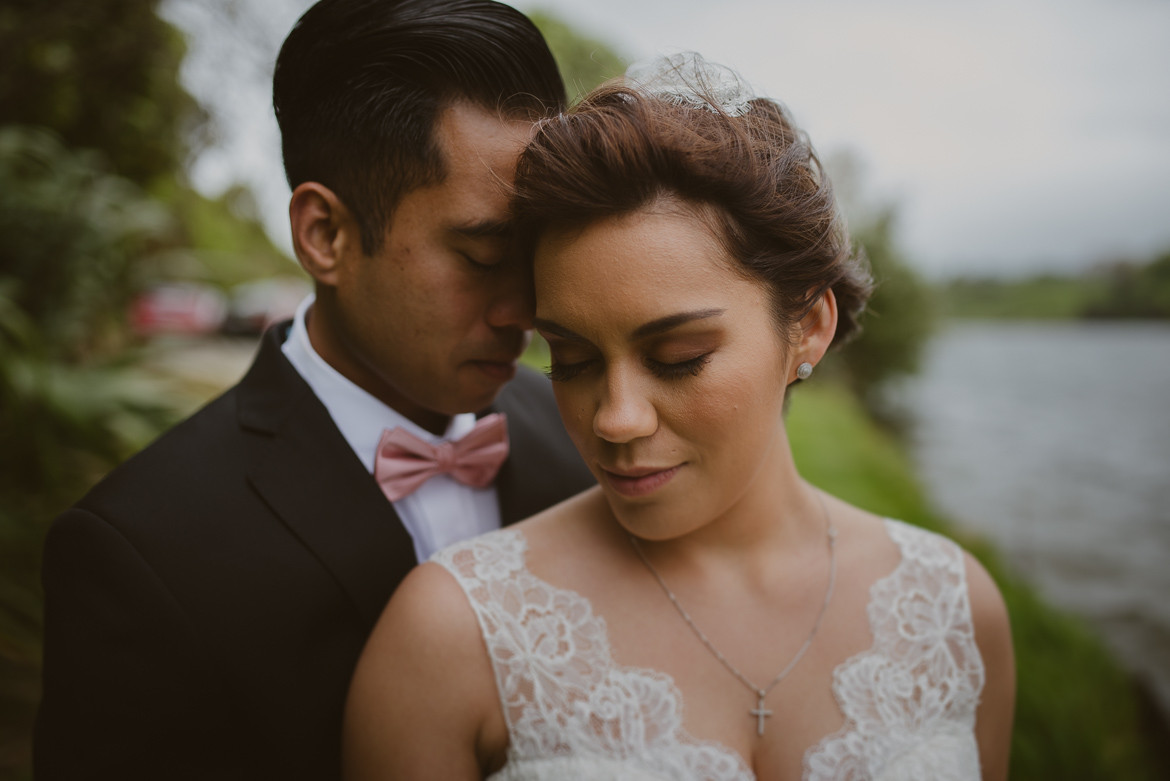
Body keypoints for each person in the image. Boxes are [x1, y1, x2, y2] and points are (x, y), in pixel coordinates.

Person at [344, 55, 1016, 780]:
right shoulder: (452, 633)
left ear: (809, 329)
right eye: (571, 359)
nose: (617, 419)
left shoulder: (953, 609)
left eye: (678, 356)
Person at [33, 1, 593, 777]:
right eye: (484, 254)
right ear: (324, 234)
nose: (526, 308)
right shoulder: (138, 554)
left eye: (538, 250)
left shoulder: (584, 430)